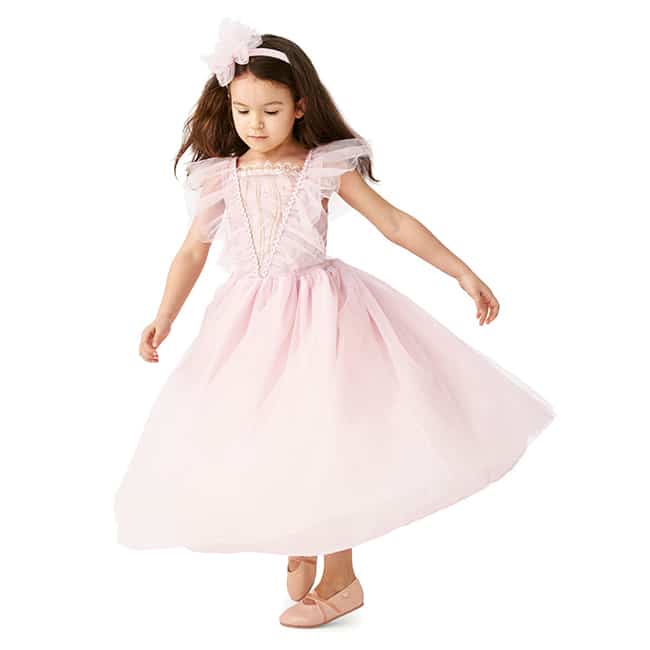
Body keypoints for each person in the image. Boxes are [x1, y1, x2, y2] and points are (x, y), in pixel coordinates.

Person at [114, 17, 557, 628]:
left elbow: (393, 223)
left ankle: (341, 576)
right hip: (247, 323)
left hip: (321, 316)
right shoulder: (221, 175)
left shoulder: (323, 166)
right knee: (262, 431)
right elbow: (192, 251)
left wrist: (461, 271)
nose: (255, 124)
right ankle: (299, 530)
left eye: (271, 110)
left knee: (330, 432)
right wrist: (164, 316)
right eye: (243, 111)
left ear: (300, 107)